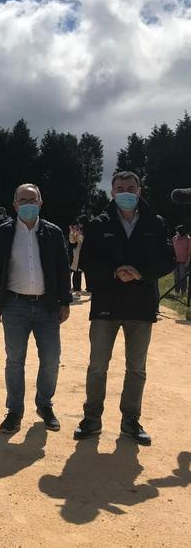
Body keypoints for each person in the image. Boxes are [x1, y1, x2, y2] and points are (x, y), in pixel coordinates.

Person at [74, 171, 175, 446]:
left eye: (131, 187)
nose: (126, 192)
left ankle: (130, 421)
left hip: (142, 306)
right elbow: (87, 261)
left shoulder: (156, 223)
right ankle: (92, 419)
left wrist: (141, 273)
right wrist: (114, 272)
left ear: (140, 190)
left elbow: (168, 260)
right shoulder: (98, 223)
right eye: (120, 188)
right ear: (112, 192)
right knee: (97, 366)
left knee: (136, 369)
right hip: (107, 304)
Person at [0, 184, 72, 434]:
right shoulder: (4, 232)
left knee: (51, 359)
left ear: (41, 202)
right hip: (14, 305)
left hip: (47, 306)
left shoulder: (53, 233)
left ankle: (44, 404)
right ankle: (14, 411)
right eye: (22, 200)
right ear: (14, 204)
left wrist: (64, 301)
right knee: (15, 360)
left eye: (32, 199)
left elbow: (62, 268)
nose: (27, 204)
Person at [172, 224, 191, 296]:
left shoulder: (188, 239)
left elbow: (190, 252)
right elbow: (173, 250)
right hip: (176, 261)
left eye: (178, 231)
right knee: (176, 277)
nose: (176, 232)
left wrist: (188, 262)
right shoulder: (174, 238)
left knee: (183, 277)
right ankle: (177, 291)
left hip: (184, 261)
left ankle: (183, 292)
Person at [69, 221, 84, 294]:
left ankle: (78, 288)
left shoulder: (82, 233)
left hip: (82, 255)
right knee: (76, 271)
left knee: (79, 272)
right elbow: (72, 241)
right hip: (75, 255)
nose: (76, 229)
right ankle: (76, 288)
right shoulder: (74, 234)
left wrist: (80, 234)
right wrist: (72, 232)